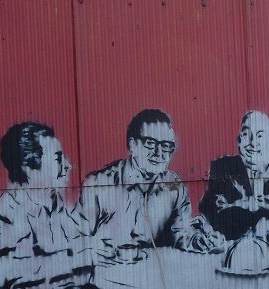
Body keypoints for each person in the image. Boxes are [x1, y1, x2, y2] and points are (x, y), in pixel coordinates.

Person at [0, 122, 106, 289]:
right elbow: (6, 272)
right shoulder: (10, 209)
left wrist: (97, 249)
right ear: (29, 166)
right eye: (58, 159)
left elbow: (78, 243)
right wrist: (77, 259)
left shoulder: (52, 202)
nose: (68, 166)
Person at [78, 109, 223, 264]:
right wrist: (92, 249)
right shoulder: (98, 184)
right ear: (132, 145)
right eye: (150, 143)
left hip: (152, 273)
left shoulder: (174, 185)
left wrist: (197, 240)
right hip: (107, 273)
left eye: (166, 145)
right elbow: (76, 238)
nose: (159, 153)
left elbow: (180, 232)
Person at [200, 110, 269, 240]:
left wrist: (248, 204)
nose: (252, 142)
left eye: (260, 136)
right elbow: (216, 212)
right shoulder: (222, 167)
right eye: (246, 134)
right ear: (239, 140)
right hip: (237, 244)